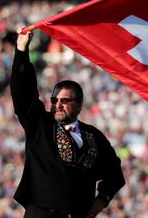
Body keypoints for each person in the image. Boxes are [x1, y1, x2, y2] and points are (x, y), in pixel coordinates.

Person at [10, 29, 125, 218]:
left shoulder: (94, 136)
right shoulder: (41, 125)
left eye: (65, 101)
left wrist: (101, 200)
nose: (58, 105)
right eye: (55, 100)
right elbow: (23, 92)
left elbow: (115, 173)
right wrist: (22, 50)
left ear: (79, 106)